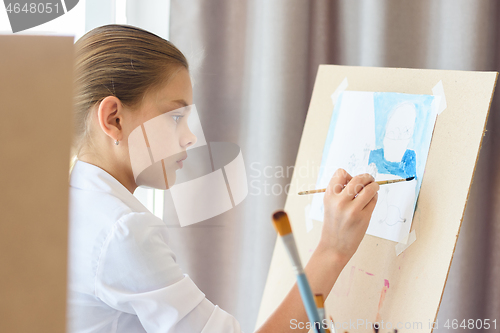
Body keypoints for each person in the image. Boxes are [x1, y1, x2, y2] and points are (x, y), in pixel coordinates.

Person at [67, 24, 380, 333]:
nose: (190, 137)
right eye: (176, 117)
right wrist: (332, 250)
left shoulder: (71, 203)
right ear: (114, 118)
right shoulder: (124, 233)